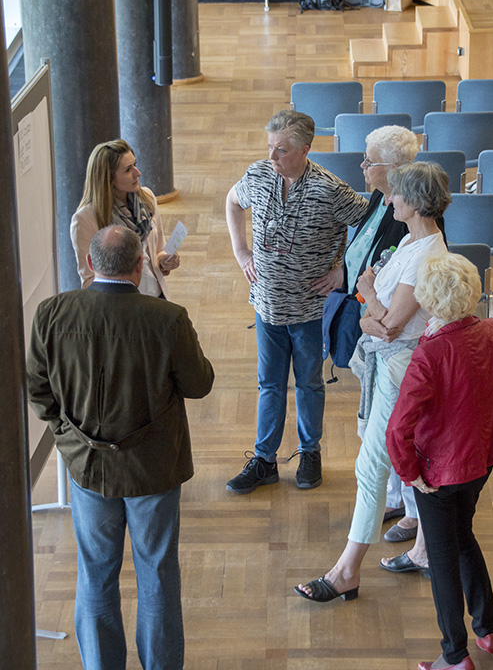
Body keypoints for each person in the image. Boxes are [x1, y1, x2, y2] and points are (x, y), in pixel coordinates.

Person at [27, 226, 214, 670]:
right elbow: (199, 384)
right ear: (139, 267)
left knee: (95, 574)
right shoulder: (167, 318)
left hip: (87, 469)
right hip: (154, 470)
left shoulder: (52, 313)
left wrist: (70, 439)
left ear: (91, 265)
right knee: (157, 575)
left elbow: (38, 390)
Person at [294, 161, 450, 602]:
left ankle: (347, 570)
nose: (389, 199)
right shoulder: (412, 243)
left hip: (401, 370)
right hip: (389, 365)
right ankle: (422, 550)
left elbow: (387, 325)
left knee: (372, 466)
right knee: (404, 459)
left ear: (415, 202)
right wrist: (369, 304)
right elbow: (372, 315)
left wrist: (369, 297)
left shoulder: (425, 255)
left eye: (396, 194)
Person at [386, 253, 493, 670]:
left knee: (443, 555)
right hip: (481, 461)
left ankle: (454, 655)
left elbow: (397, 430)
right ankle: (487, 631)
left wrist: (410, 475)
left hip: (436, 473)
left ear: (429, 300)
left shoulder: (430, 353)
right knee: (463, 536)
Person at [225, 109, 368, 493]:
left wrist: (345, 273)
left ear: (306, 149)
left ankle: (310, 453)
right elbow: (232, 201)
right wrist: (241, 252)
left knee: (308, 384)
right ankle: (264, 460)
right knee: (269, 384)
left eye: (281, 151)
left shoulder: (330, 189)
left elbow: (371, 225)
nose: (272, 158)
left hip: (309, 311)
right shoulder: (258, 174)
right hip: (267, 305)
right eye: (270, 148)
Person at [326, 124, 421, 543]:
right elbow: (363, 248)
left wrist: (365, 300)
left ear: (395, 169)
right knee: (380, 426)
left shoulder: (409, 219)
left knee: (398, 428)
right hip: (374, 333)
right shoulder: (382, 198)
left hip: (394, 344)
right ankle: (398, 496)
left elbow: (393, 316)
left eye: (370, 161)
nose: (361, 166)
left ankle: (414, 511)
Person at [70, 138, 180, 298]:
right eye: (128, 170)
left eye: (135, 165)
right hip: (120, 306)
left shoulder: (147, 198)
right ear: (109, 178)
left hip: (156, 298)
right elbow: (88, 281)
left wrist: (164, 260)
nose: (138, 173)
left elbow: (157, 250)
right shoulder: (84, 220)